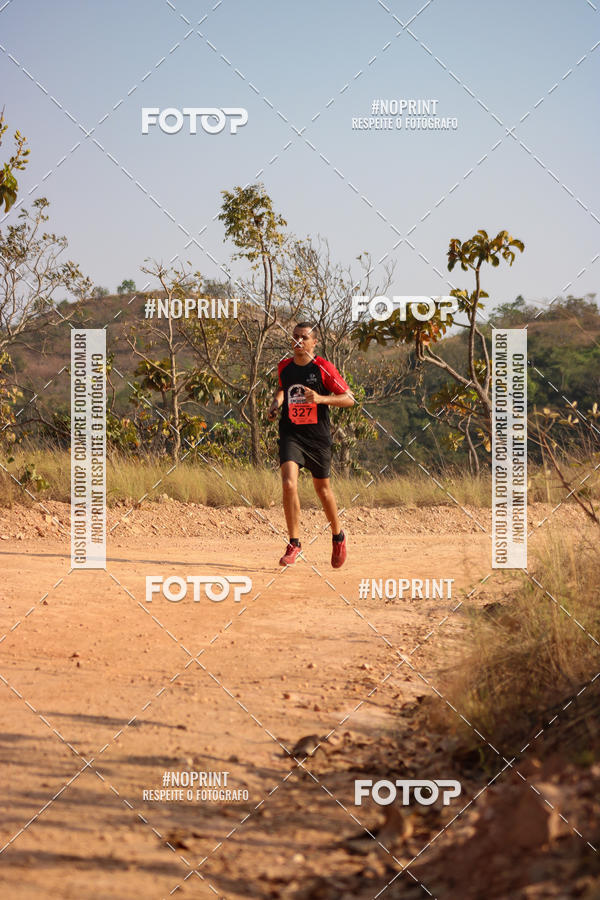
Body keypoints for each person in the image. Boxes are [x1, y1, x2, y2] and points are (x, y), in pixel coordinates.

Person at [268, 322, 355, 568]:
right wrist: (276, 403)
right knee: (288, 483)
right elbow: (283, 389)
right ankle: (294, 543)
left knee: (323, 490)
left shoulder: (323, 368)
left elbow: (349, 399)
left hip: (317, 437)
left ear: (313, 342)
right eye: (294, 337)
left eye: (303, 338)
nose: (298, 342)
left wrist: (320, 398)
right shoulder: (284, 367)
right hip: (291, 433)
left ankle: (338, 536)